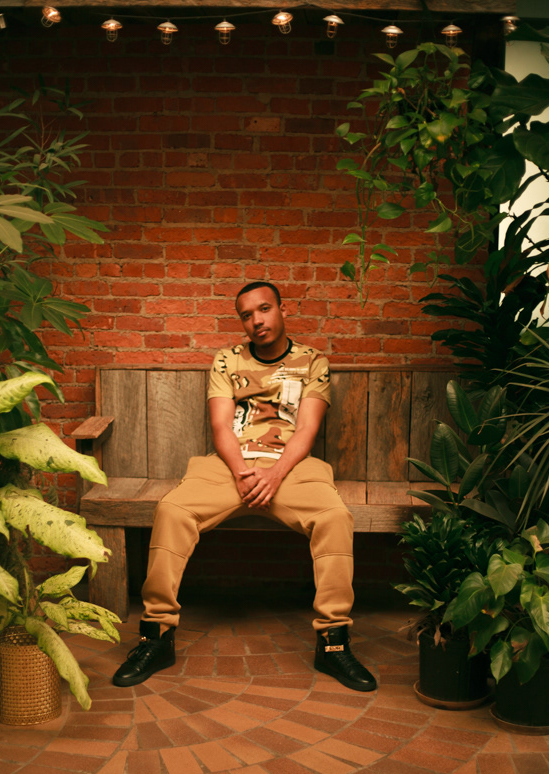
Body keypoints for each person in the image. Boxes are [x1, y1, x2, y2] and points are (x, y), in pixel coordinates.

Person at [112, 281, 377, 693]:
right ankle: (156, 636)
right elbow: (221, 426)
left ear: (283, 309)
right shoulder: (227, 360)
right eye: (247, 315)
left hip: (291, 466)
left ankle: (333, 643)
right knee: (172, 511)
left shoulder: (313, 361)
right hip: (231, 465)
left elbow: (307, 429)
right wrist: (241, 472)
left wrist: (275, 474)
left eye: (264, 309)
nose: (257, 320)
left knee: (334, 518)